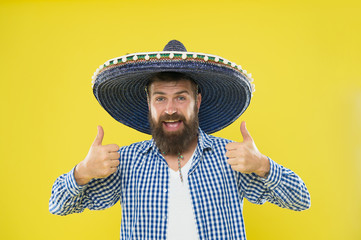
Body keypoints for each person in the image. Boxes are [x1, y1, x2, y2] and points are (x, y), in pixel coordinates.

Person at [49, 40, 311, 240]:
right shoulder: (127, 162)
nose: (170, 108)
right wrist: (82, 173)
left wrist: (263, 165)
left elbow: (301, 200)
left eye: (181, 97)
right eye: (160, 98)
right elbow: (58, 205)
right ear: (149, 104)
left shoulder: (232, 158)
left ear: (197, 102)